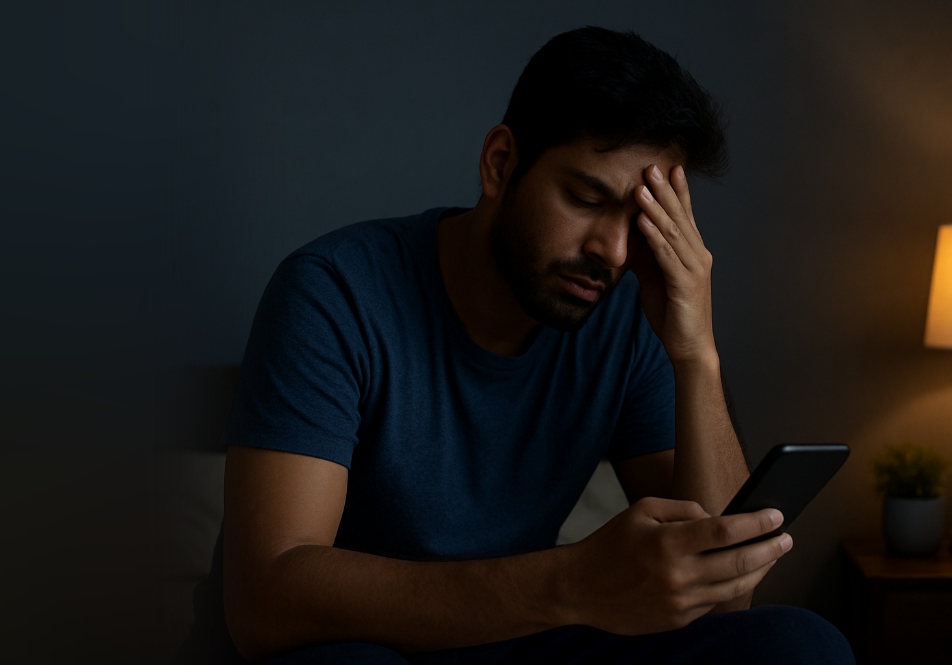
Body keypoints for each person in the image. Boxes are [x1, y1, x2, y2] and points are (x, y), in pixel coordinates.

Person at [177, 26, 855, 664]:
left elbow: (726, 595)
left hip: (516, 637)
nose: (613, 252)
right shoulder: (334, 292)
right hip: (347, 640)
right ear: (501, 163)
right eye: (587, 198)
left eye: (640, 221)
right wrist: (574, 580)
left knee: (798, 644)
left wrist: (695, 349)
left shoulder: (624, 317)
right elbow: (267, 598)